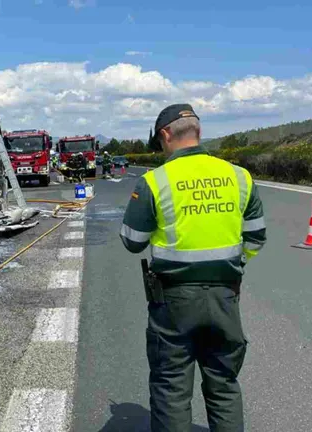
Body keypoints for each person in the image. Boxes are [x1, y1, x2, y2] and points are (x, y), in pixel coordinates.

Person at [119, 104, 266, 432]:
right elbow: (256, 237)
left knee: (171, 388)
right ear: (197, 131)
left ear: (166, 135)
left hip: (173, 301)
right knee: (224, 385)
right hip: (225, 295)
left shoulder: (154, 181)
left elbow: (132, 241)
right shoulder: (239, 176)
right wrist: (234, 267)